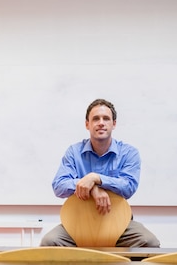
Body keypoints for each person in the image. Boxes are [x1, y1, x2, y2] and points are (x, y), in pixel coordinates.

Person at [40, 98, 160, 248]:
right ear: (87, 124)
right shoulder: (74, 152)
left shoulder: (129, 153)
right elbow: (59, 186)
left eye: (106, 118)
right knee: (49, 242)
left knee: (149, 242)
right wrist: (93, 188)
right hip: (78, 221)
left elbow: (128, 187)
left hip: (120, 222)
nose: (101, 122)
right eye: (96, 118)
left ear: (114, 124)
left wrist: (96, 178)